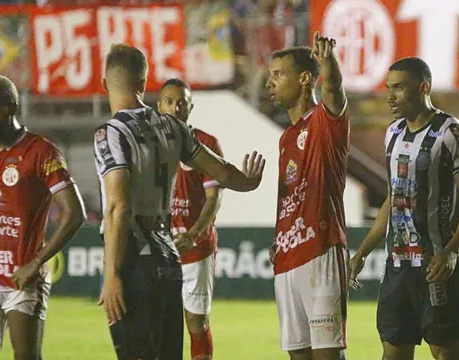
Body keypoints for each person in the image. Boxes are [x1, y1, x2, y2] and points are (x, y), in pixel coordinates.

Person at [94, 44, 265, 360]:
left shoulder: (111, 133)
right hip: (168, 257)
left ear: (104, 83)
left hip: (133, 260)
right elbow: (222, 171)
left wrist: (112, 275)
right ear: (145, 85)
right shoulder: (173, 127)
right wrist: (249, 182)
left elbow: (119, 207)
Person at [349, 57, 459, 360]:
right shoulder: (393, 133)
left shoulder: (451, 132)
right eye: (388, 88)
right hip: (397, 269)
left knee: (445, 352)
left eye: (399, 88)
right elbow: (392, 198)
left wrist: (451, 250)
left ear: (423, 87)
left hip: (435, 268)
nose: (390, 96)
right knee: (393, 353)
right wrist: (361, 253)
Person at [0, 74, 86, 360]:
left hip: (21, 277)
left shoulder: (40, 151)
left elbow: (74, 213)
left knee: (26, 357)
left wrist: (36, 263)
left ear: (12, 107)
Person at [266, 31, 349, 360]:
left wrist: (327, 61)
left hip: (321, 252)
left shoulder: (323, 121)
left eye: (278, 75)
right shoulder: (286, 137)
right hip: (288, 258)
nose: (270, 83)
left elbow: (333, 90)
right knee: (299, 355)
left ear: (304, 78)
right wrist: (281, 234)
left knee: (327, 355)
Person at [157, 78, 222, 360]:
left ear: (190, 107)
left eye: (181, 102)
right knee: (158, 327)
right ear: (159, 107)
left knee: (196, 323)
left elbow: (214, 198)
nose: (175, 107)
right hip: (159, 252)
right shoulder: (149, 146)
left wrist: (194, 233)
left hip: (195, 249)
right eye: (169, 102)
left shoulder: (206, 144)